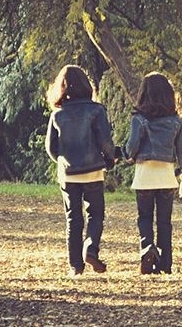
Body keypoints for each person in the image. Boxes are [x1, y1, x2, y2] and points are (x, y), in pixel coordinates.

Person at [44, 65, 117, 275]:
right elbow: (105, 142)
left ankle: (75, 266)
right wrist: (110, 159)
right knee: (95, 214)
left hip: (68, 173)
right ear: (87, 84)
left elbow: (51, 148)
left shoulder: (57, 115)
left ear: (61, 87)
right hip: (93, 170)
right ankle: (90, 248)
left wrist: (63, 162)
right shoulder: (96, 110)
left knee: (73, 218)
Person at [124, 72, 182, 275]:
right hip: (166, 177)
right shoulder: (175, 121)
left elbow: (131, 147)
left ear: (144, 94)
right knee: (164, 221)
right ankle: (166, 263)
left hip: (144, 176)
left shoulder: (139, 119)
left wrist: (127, 155)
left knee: (144, 218)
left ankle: (147, 248)